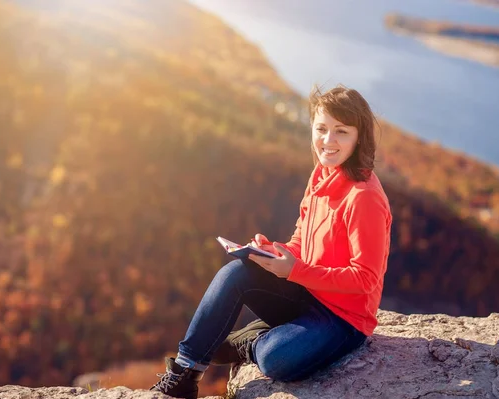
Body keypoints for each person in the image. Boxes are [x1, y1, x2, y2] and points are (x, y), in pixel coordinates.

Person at [150, 84, 392, 399]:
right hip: (307, 293)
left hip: (344, 320)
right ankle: (184, 374)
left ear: (359, 137)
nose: (327, 141)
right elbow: (301, 240)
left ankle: (250, 342)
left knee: (274, 359)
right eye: (321, 129)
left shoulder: (364, 197)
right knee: (234, 273)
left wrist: (295, 272)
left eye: (341, 132)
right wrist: (274, 252)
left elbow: (366, 279)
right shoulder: (321, 174)